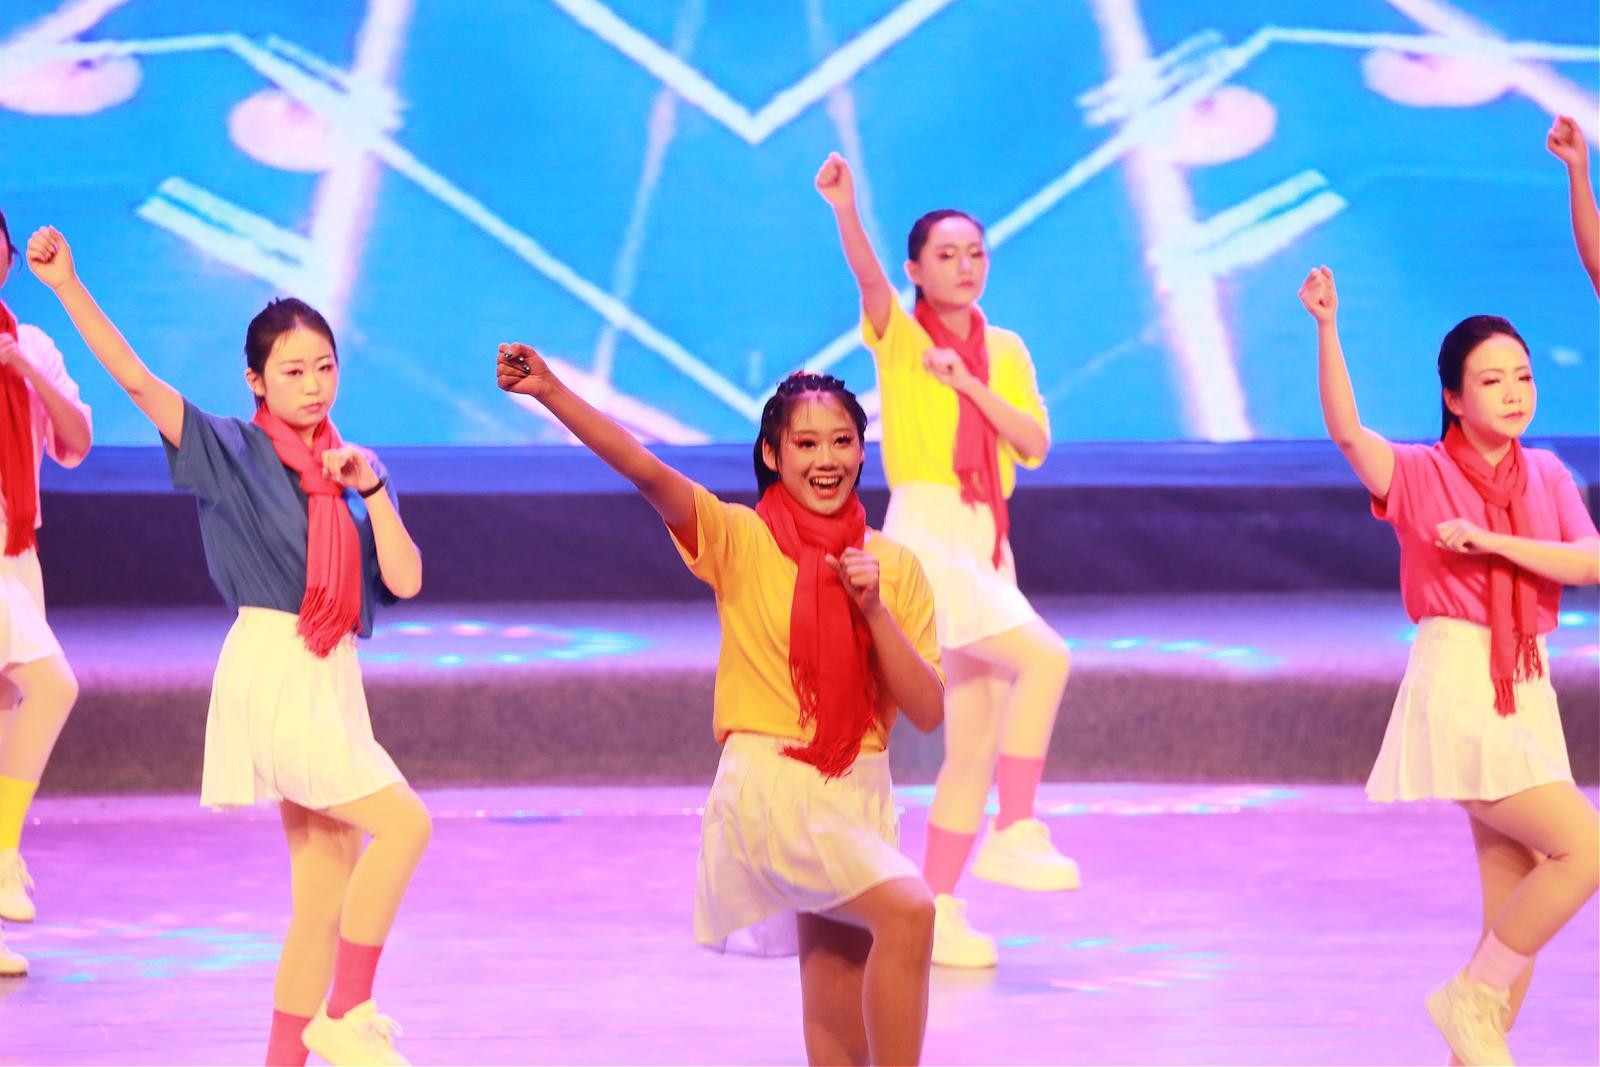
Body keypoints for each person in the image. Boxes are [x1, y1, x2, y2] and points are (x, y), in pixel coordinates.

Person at [28, 226, 430, 1066]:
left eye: (324, 367)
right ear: (256, 380)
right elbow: (137, 381)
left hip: (333, 677)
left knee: (321, 900)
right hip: (277, 668)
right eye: (293, 370)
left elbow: (405, 578)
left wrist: (374, 488)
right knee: (406, 825)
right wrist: (66, 285)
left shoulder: (344, 474)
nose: (313, 385)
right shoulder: (228, 450)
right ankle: (349, 1010)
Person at [498, 345, 944, 1066]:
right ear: (772, 453)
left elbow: (925, 709)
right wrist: (551, 391)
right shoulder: (740, 537)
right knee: (911, 910)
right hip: (776, 788)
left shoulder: (894, 566)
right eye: (805, 443)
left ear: (863, 452)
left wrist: (874, 610)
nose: (826, 459)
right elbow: (646, 471)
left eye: (841, 442)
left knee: (837, 976)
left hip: (862, 791)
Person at [1299, 264, 1599, 1066]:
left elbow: (1590, 560)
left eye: (1523, 376)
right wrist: (1327, 328)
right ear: (1455, 398)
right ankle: (1467, 997)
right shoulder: (1420, 472)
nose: (1514, 392)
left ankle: (1478, 1033)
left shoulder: (1546, 472)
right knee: (1585, 849)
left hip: (1526, 678)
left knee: (1516, 893)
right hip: (1464, 677)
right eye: (1491, 380)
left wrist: (1495, 540)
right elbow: (1348, 434)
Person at [816, 151, 1077, 969]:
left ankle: (939, 912)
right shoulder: (899, 337)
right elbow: (866, 281)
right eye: (947, 255)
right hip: (928, 531)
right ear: (917, 271)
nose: (965, 266)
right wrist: (845, 208)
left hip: (987, 538)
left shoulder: (1006, 350)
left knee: (973, 742)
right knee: (1046, 657)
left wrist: (969, 384)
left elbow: (1032, 443)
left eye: (975, 253)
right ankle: (1017, 825)